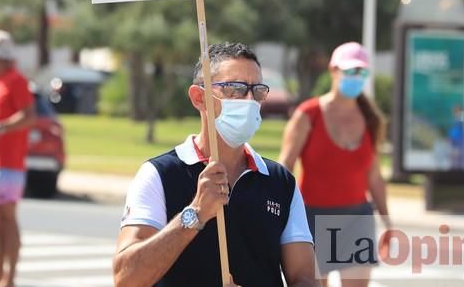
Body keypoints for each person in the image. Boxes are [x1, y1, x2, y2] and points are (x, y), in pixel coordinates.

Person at [114, 42, 317, 287]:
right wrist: (195, 214)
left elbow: (304, 279)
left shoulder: (280, 182)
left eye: (257, 90)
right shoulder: (159, 174)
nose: (250, 100)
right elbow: (126, 278)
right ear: (199, 98)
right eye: (235, 88)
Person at [279, 42, 391, 287]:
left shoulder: (371, 120)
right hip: (312, 218)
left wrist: (387, 221)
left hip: (357, 218)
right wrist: (277, 214)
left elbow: (374, 177)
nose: (356, 78)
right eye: (351, 71)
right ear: (333, 70)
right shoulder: (308, 115)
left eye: (362, 72)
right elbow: (285, 167)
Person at [0, 30, 36, 287]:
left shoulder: (16, 81)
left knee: (7, 219)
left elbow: (29, 116)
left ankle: (9, 277)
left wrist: (0, 128)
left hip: (9, 162)